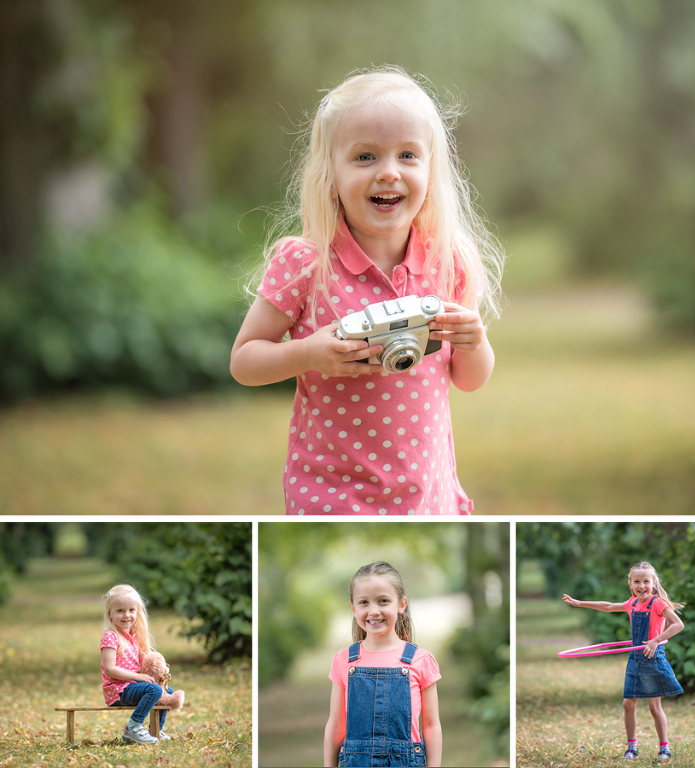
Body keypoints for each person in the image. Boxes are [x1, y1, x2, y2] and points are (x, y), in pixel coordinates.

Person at [230, 65, 505, 515]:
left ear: (431, 169)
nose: (388, 173)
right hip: (331, 494)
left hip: (425, 494)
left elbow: (469, 379)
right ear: (329, 172)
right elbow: (243, 361)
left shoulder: (446, 261)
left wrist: (476, 342)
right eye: (365, 157)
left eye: (408, 155)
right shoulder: (306, 263)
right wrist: (308, 353)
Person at [563, 561, 684, 762]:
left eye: (646, 581)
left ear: (654, 583)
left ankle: (664, 748)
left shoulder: (657, 604)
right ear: (630, 584)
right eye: (637, 581)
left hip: (653, 658)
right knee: (628, 704)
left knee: (655, 708)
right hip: (635, 659)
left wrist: (655, 640)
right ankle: (631, 747)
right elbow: (609, 606)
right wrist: (579, 603)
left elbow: (678, 624)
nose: (641, 586)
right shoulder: (632, 603)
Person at [324, 562, 442, 767]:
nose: (374, 611)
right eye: (364, 602)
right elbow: (335, 726)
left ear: (401, 604)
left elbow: (431, 727)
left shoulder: (420, 661)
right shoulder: (344, 661)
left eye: (383, 601)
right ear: (353, 608)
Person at [100, 584, 173, 744]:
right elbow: (109, 669)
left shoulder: (134, 636)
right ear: (110, 613)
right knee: (153, 689)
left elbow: (144, 663)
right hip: (118, 690)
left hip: (133, 686)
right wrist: (139, 677)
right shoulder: (110, 637)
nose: (127, 615)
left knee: (165, 690)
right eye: (120, 611)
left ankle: (155, 730)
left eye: (131, 610)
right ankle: (133, 728)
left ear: (137, 612)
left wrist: (160, 667)